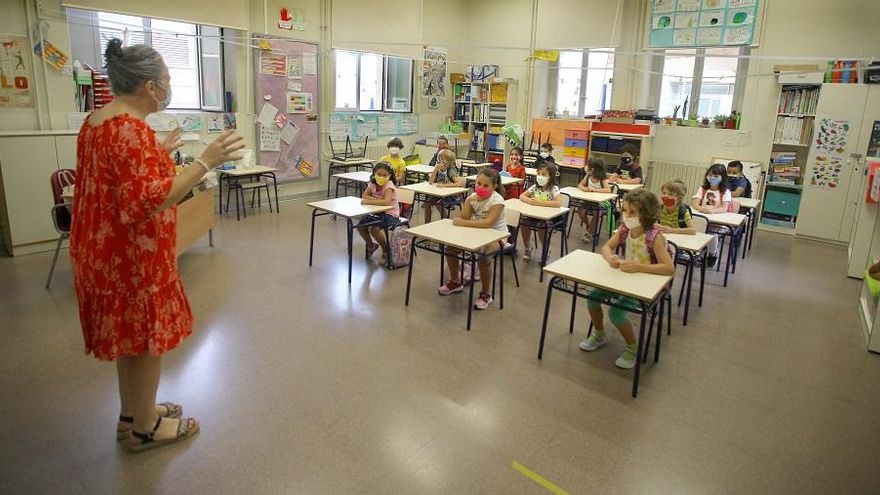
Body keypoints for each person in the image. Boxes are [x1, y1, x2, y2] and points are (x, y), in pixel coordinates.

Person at [69, 39, 244, 452]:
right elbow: (147, 201)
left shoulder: (99, 121)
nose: (167, 88)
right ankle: (145, 428)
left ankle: (133, 414)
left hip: (104, 251)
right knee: (146, 340)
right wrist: (206, 161)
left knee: (130, 340)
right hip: (130, 259)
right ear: (150, 87)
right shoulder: (129, 130)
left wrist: (159, 153)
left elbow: (120, 181)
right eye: (166, 81)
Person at [579, 189, 675, 369]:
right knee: (592, 297)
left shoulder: (654, 237)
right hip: (625, 277)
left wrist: (639, 267)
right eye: (624, 210)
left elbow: (669, 268)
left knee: (616, 313)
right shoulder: (624, 229)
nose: (626, 215)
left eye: (632, 212)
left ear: (646, 214)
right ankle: (599, 334)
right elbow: (607, 247)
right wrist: (611, 258)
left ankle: (632, 347)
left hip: (647, 284)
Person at [438, 167, 508, 310]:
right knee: (450, 249)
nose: (480, 187)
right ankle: (456, 282)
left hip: (497, 236)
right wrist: (469, 200)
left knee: (484, 256)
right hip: (476, 233)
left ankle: (486, 293)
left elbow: (488, 223)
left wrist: (463, 222)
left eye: (486, 185)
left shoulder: (497, 200)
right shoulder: (473, 197)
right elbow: (465, 217)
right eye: (478, 183)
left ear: (494, 186)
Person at [357, 161, 400, 265]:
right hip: (377, 212)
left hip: (390, 214)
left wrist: (370, 201)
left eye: (384, 175)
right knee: (360, 226)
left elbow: (386, 202)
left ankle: (386, 250)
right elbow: (364, 195)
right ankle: (371, 245)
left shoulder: (389, 185)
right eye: (379, 174)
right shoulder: (372, 183)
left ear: (389, 176)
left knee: (374, 230)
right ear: (374, 174)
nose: (381, 177)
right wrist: (377, 199)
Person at [519, 161, 562, 262]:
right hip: (534, 215)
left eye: (543, 174)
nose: (540, 176)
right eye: (538, 174)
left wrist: (539, 202)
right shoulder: (535, 187)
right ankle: (527, 248)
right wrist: (530, 201)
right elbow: (522, 196)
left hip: (548, 218)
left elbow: (558, 203)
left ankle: (546, 250)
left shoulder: (553, 189)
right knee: (523, 223)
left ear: (550, 176)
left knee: (542, 227)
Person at [692, 163, 732, 267]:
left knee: (711, 233)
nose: (712, 178)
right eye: (710, 175)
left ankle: (712, 253)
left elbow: (725, 208)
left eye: (716, 176)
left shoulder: (725, 191)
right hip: (703, 217)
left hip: (716, 220)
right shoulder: (703, 188)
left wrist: (713, 211)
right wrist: (701, 208)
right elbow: (695, 203)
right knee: (696, 229)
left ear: (722, 177)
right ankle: (697, 251)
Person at [575, 158, 613, 243]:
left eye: (589, 167)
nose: (587, 169)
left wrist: (595, 190)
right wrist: (585, 189)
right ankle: (590, 228)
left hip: (600, 202)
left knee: (597, 212)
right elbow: (580, 185)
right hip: (589, 200)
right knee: (580, 210)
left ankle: (589, 232)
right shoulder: (588, 176)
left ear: (595, 169)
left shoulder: (602, 178)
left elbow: (608, 190)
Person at [425, 149, 464, 223]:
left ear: (448, 163)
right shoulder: (438, 169)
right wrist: (436, 169)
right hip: (439, 193)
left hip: (450, 195)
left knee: (439, 203)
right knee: (428, 203)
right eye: (439, 159)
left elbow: (459, 183)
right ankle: (427, 223)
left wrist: (445, 185)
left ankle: (445, 220)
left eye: (442, 160)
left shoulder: (450, 170)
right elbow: (430, 182)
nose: (440, 161)